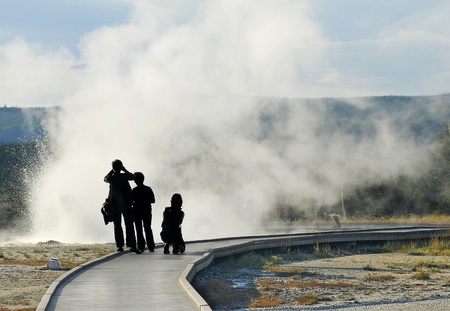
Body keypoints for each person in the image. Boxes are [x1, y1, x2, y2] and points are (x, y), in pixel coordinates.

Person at [104, 159, 141, 254]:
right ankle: (132, 245)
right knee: (129, 225)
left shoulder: (112, 178)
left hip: (115, 204)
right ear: (121, 167)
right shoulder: (124, 176)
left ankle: (119, 245)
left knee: (117, 225)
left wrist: (112, 170)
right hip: (126, 203)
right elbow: (133, 176)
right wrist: (124, 169)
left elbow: (105, 178)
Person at [132, 172, 156, 252]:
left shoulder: (134, 190)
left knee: (139, 229)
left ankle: (141, 246)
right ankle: (151, 246)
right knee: (148, 228)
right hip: (147, 211)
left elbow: (131, 201)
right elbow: (153, 200)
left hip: (137, 211)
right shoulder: (148, 189)